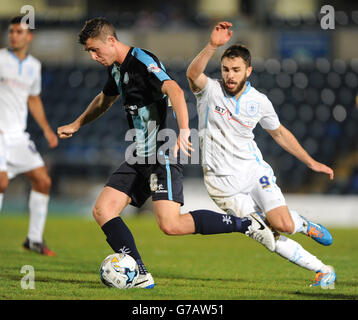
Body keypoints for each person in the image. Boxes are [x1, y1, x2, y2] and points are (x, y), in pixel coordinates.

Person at [57, 17, 276, 289]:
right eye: (89, 52)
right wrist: (77, 124)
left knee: (170, 225)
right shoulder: (116, 68)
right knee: (103, 210)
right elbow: (105, 98)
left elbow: (173, 87)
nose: (92, 56)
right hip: (139, 154)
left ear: (111, 41)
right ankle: (138, 272)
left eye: (95, 50)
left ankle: (245, 224)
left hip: (163, 150)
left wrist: (184, 130)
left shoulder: (141, 61)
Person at [186, 21, 336, 288]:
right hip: (222, 184)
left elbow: (279, 133)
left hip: (254, 172)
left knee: (283, 224)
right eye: (225, 70)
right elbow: (192, 74)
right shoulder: (210, 91)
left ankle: (301, 224)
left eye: (236, 70)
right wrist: (212, 45)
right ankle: (323, 270)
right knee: (266, 234)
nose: (230, 75)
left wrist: (311, 162)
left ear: (248, 71)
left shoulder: (259, 101)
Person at [0, 16, 58, 256]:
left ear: (29, 37)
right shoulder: (1, 59)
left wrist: (46, 129)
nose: (14, 35)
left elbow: (33, 98)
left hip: (19, 137)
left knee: (43, 181)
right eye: (12, 31)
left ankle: (34, 239)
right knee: (1, 182)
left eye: (19, 32)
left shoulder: (34, 65)